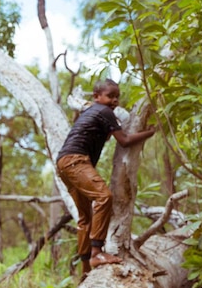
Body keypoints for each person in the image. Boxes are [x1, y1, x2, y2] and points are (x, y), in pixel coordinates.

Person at [56, 78, 155, 276]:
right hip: (76, 161)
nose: (114, 101)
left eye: (117, 97)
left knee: (85, 218)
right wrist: (150, 132)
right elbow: (125, 141)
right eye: (110, 96)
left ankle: (85, 269)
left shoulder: (92, 112)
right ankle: (97, 253)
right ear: (96, 97)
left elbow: (108, 135)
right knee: (104, 197)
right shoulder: (104, 112)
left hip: (63, 163)